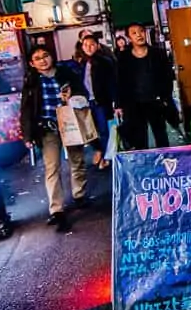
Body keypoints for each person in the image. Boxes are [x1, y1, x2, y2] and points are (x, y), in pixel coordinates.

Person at [19, 45, 89, 232]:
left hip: (70, 124)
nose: (43, 60)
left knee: (78, 160)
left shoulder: (66, 73)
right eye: (38, 58)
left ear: (52, 57)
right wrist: (27, 134)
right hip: (47, 128)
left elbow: (84, 96)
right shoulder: (32, 80)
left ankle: (79, 194)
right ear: (32, 64)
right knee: (52, 168)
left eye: (45, 55)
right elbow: (26, 108)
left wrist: (71, 96)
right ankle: (56, 209)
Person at [115, 23, 179, 149]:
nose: (139, 35)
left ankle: (165, 160)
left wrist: (166, 97)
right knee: (139, 138)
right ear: (129, 38)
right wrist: (119, 104)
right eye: (134, 33)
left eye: (141, 31)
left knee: (161, 134)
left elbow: (167, 77)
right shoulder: (123, 58)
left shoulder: (158, 54)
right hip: (135, 104)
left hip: (156, 101)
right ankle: (144, 164)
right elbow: (120, 82)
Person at [81, 34, 117, 169]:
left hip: (101, 101)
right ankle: (99, 151)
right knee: (90, 130)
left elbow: (112, 83)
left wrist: (116, 102)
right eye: (85, 45)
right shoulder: (82, 62)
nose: (88, 47)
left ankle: (104, 156)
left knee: (103, 130)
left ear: (97, 45)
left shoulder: (105, 61)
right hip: (86, 102)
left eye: (91, 44)